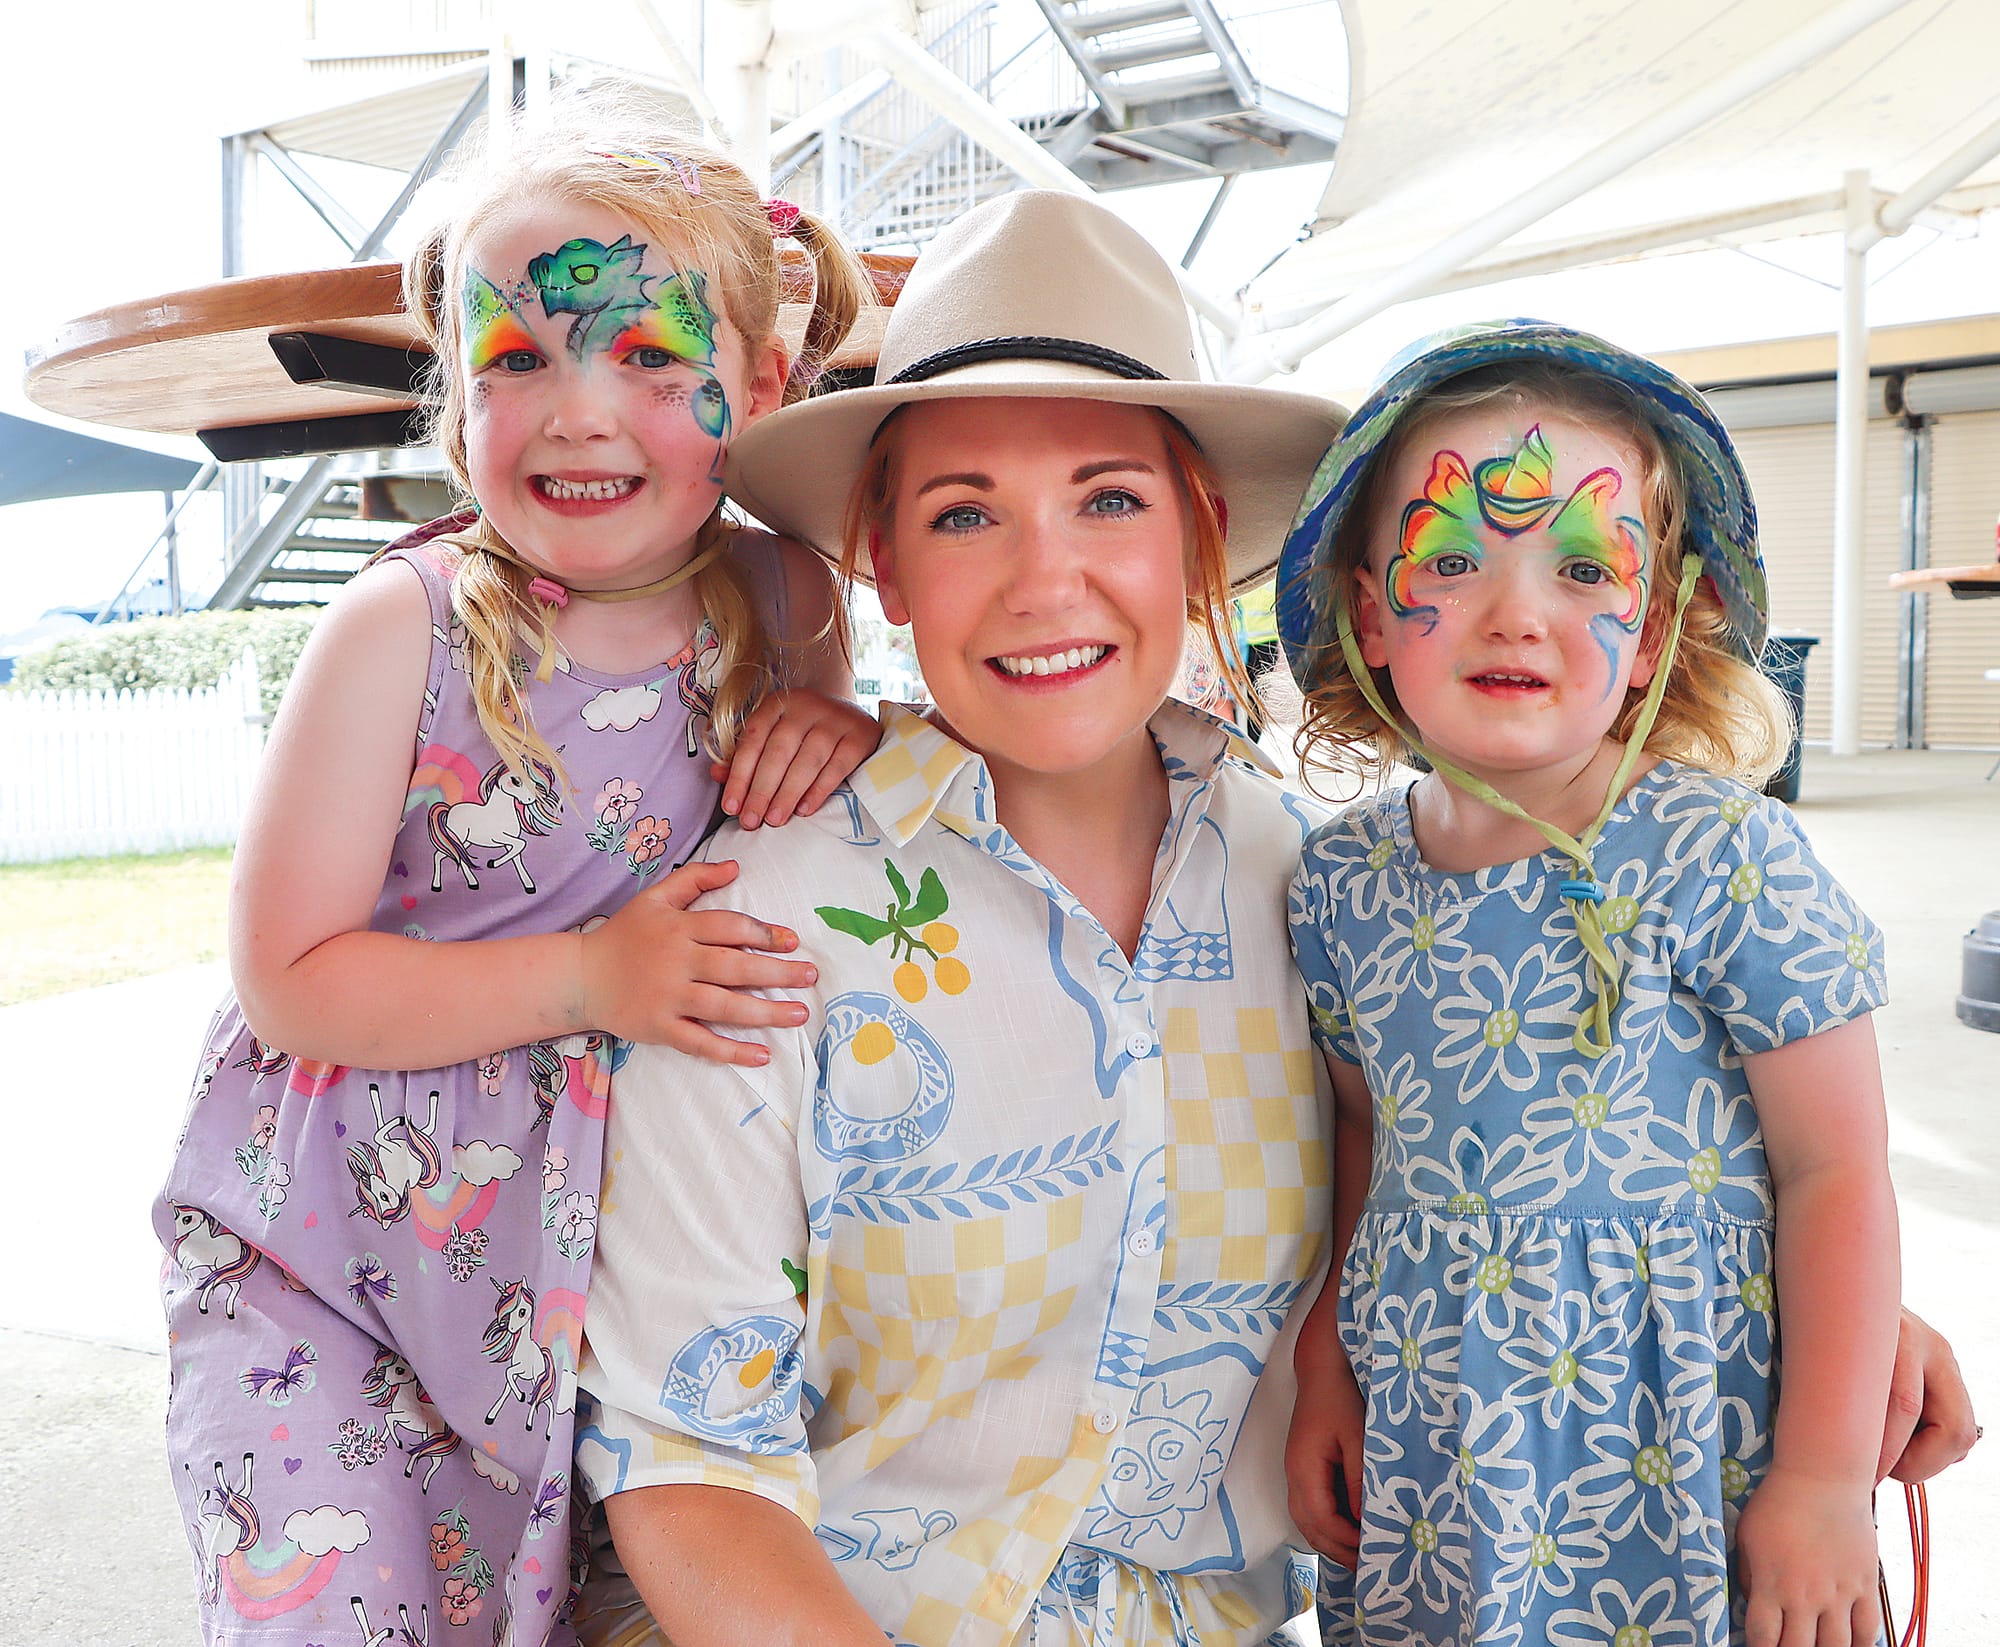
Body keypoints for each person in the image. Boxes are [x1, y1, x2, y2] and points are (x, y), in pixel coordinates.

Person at [568, 188, 1351, 1646]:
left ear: (1200, 533)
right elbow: (688, 1465)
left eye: (1109, 501)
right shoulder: (765, 918)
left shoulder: (1327, 889)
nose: (1044, 580)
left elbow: (1559, 1131)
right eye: (964, 514)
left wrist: (1821, 1307)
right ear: (884, 560)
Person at [155, 99, 882, 1647]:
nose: (576, 410)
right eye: (518, 358)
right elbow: (287, 979)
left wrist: (836, 722)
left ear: (761, 384)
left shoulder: (788, 597)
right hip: (330, 1264)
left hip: (604, 1254)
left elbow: (811, 850)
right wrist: (588, 974)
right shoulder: (401, 627)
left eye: (644, 354)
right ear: (453, 393)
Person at [1275, 321, 1905, 1647]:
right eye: (1453, 560)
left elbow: (1836, 1170)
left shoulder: (1718, 855)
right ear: (1372, 613)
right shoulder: (1339, 886)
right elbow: (1362, 1136)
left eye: (1581, 567)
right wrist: (1323, 1366)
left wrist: (1825, 1479)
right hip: (1443, 1452)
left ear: (1661, 622)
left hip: (1679, 1456)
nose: (1518, 614)